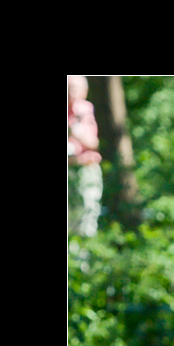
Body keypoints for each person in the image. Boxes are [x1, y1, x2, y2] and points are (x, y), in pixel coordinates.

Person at [67, 75, 103, 237]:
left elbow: (93, 143)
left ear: (84, 90)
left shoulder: (85, 110)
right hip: (69, 169)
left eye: (73, 88)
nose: (70, 92)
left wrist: (74, 130)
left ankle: (84, 256)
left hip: (86, 169)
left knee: (87, 214)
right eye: (68, 88)